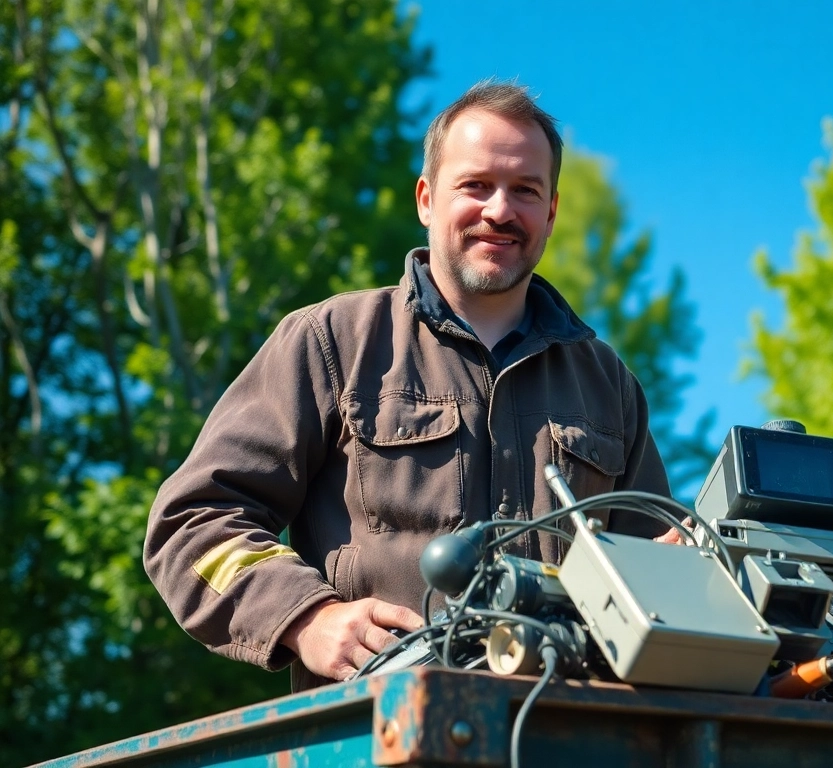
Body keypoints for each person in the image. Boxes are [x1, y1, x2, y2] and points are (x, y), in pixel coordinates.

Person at [143, 81, 674, 691]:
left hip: (564, 734)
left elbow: (651, 582)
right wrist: (307, 618)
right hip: (375, 735)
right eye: (475, 185)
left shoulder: (607, 385)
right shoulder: (333, 341)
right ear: (426, 199)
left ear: (551, 212)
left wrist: (683, 574)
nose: (500, 210)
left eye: (525, 191)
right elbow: (193, 522)